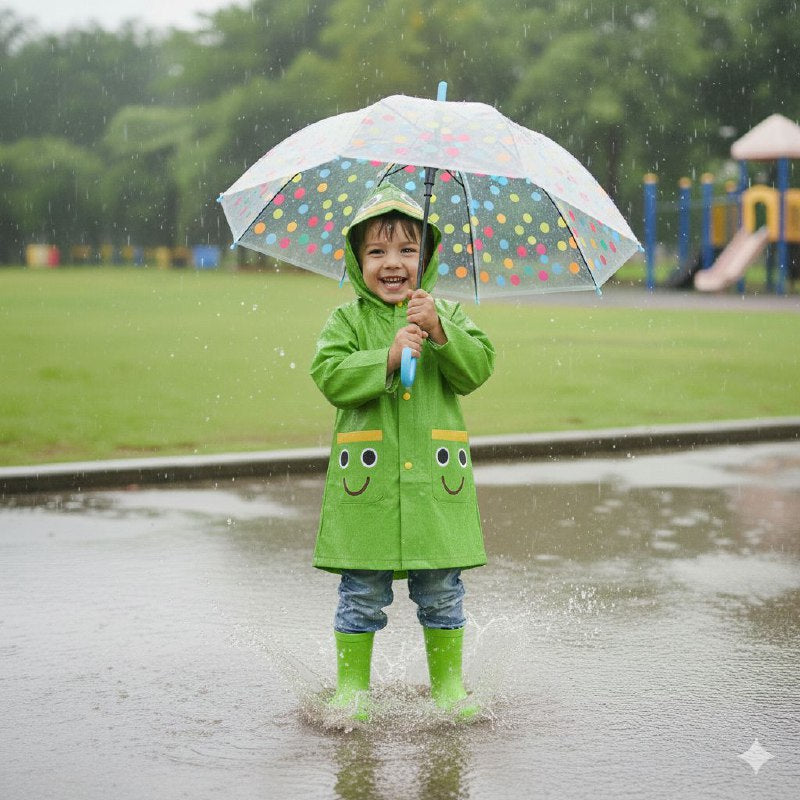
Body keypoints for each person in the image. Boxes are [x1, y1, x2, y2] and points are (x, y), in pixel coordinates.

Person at [310, 182, 495, 720]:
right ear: (356, 259)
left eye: (407, 250)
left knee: (441, 590)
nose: (393, 264)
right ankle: (352, 689)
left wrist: (439, 331)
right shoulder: (346, 322)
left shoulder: (446, 313)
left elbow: (477, 368)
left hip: (435, 486)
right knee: (361, 592)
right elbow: (330, 376)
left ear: (427, 257)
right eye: (377, 252)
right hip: (367, 485)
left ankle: (449, 688)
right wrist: (387, 358)